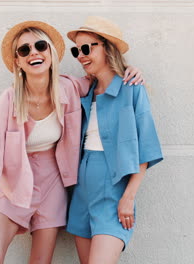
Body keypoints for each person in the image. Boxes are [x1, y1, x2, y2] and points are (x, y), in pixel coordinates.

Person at [0, 20, 144, 264]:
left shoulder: (70, 87)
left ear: (50, 52)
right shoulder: (9, 99)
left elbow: (103, 77)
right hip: (14, 185)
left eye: (40, 46)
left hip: (53, 183)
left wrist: (129, 70)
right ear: (18, 61)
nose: (34, 53)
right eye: (24, 50)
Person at [66, 16, 163, 264]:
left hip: (113, 192)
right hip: (81, 192)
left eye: (87, 48)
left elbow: (146, 149)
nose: (81, 55)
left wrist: (128, 197)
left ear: (107, 47)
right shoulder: (84, 91)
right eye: (77, 50)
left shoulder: (132, 88)